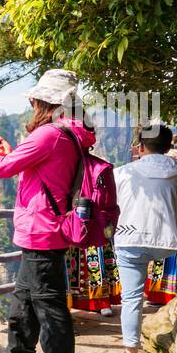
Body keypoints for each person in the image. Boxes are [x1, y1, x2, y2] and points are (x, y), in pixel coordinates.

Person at [0, 69, 92, 353]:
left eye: (35, 99)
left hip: (43, 227)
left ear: (46, 102)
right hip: (43, 226)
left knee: (47, 299)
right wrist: (8, 151)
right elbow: (31, 170)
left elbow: (0, 170)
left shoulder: (49, 135)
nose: (30, 102)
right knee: (25, 294)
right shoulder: (66, 134)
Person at [112, 121, 177, 353]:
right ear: (168, 147)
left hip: (130, 240)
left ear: (141, 147)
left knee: (132, 297)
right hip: (170, 242)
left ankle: (131, 350)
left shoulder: (122, 172)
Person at [64, 123, 120, 316]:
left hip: (72, 222)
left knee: (72, 259)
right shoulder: (100, 167)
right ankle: (102, 300)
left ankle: (72, 300)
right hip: (96, 222)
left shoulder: (64, 167)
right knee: (96, 254)